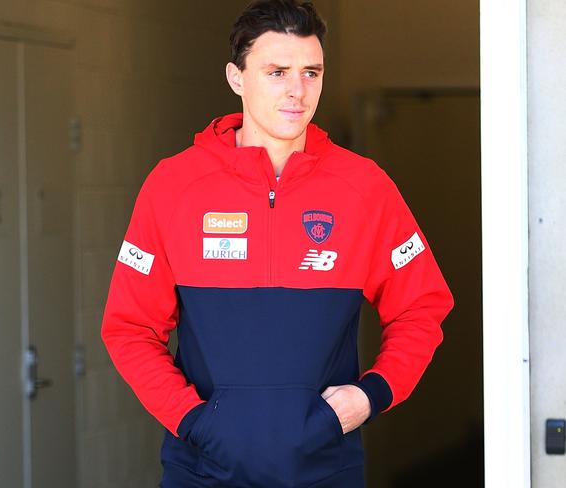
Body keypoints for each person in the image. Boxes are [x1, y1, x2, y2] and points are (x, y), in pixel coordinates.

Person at [101, 1, 454, 486]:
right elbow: (129, 328)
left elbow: (422, 306)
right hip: (204, 468)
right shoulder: (173, 185)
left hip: (325, 466)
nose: (297, 91)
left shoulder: (365, 187)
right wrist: (194, 421)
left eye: (311, 72)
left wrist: (371, 395)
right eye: (277, 71)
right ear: (236, 77)